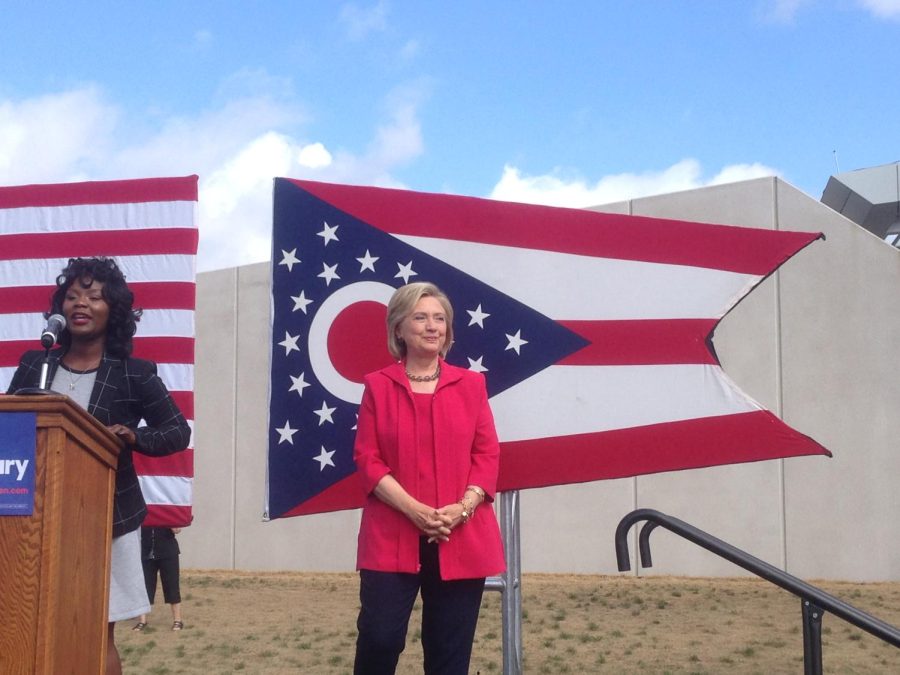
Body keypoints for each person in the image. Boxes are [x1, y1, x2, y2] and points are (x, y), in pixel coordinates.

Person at [6, 257, 191, 675]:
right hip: (29, 521)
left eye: (94, 296)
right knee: (25, 625)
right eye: (72, 296)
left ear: (115, 310)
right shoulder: (36, 364)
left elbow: (177, 431)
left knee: (94, 632)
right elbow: (8, 430)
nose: (80, 304)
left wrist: (132, 436)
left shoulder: (133, 373)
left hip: (107, 520)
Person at [352, 282, 506, 675]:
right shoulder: (378, 386)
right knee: (380, 638)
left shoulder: (472, 385)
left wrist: (464, 507)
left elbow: (486, 454)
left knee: (448, 654)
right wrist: (414, 510)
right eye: (420, 317)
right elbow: (368, 460)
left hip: (460, 535)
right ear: (399, 329)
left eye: (440, 318)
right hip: (391, 536)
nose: (432, 326)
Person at [132, 526, 184, 632]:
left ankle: (177, 620)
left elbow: (177, 529)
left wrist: (175, 527)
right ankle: (142, 621)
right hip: (146, 552)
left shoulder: (167, 510)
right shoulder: (143, 511)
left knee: (172, 584)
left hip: (168, 551)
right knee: (145, 586)